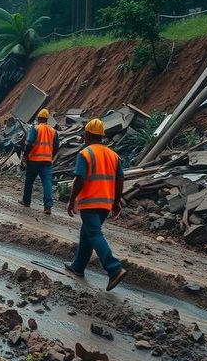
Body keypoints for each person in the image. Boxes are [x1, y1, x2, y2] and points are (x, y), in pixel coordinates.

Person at [65, 118, 128, 291]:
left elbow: (80, 179)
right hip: (106, 203)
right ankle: (78, 267)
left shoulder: (85, 153)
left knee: (93, 234)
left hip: (90, 202)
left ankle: (114, 268)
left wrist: (71, 201)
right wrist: (116, 201)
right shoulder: (113, 155)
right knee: (87, 233)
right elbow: (120, 178)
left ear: (87, 134)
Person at [21, 108, 59, 215]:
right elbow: (56, 146)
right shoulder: (53, 131)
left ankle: (26, 201)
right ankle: (48, 206)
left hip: (34, 160)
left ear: (38, 118)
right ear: (47, 119)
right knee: (47, 183)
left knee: (29, 181)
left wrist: (25, 155)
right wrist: (51, 156)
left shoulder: (35, 128)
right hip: (46, 161)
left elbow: (29, 143)